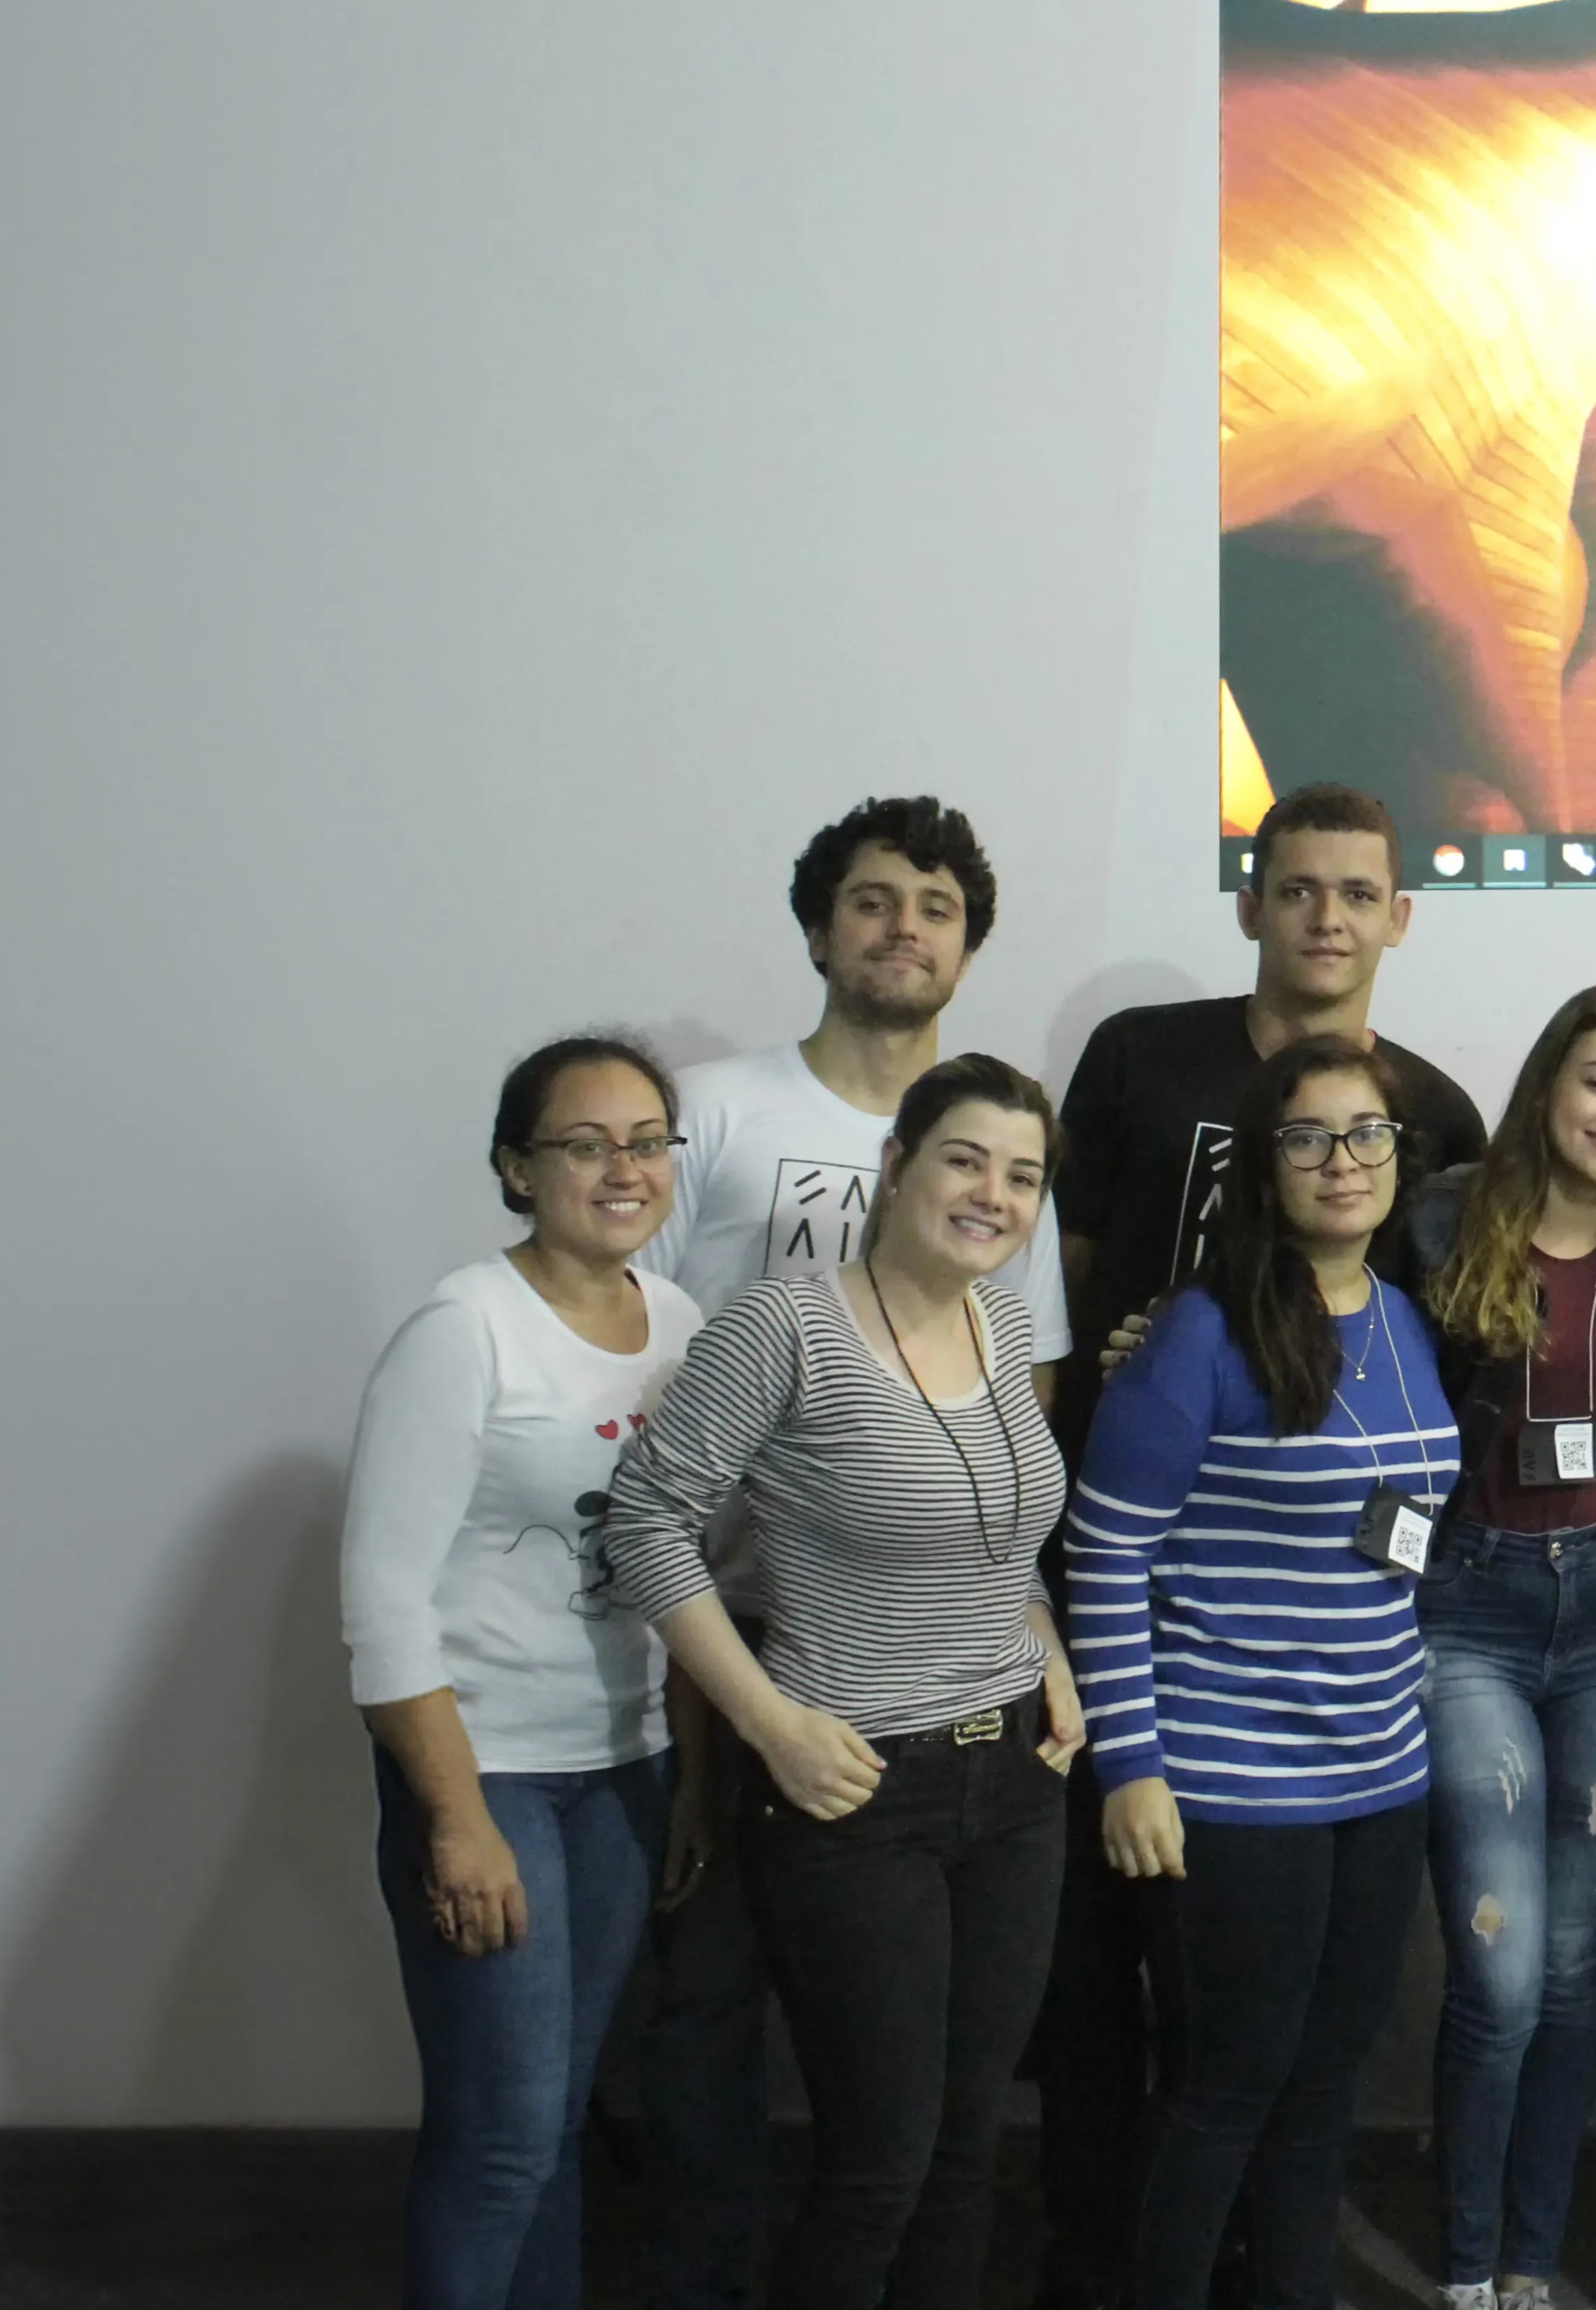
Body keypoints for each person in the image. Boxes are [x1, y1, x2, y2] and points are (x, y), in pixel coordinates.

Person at [1043, 779, 1489, 2306]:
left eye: (1366, 1136)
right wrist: (1132, 1769)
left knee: (1319, 2101)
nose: (1344, 1159)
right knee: (1224, 2094)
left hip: (1379, 1777)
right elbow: (1107, 1557)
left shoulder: (1411, 1326)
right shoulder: (1197, 1335)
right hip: (1232, 1785)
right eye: (1309, 1140)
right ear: (1266, 1162)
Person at [632, 794, 1072, 2310]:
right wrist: (767, 1723)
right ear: (898, 1164)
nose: (991, 1196)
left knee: (965, 2147)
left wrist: (1049, 1651)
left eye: (1020, 1177)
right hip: (855, 1784)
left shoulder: (1002, 1322)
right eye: (964, 1162)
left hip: (1011, 1785)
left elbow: (998, 1522)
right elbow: (649, 1522)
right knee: (878, 2159)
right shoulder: (786, 1324)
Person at [340, 1034, 702, 2310]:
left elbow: (689, 1566)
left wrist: (694, 1776)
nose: (624, 1169)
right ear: (516, 1168)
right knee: (499, 2138)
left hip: (623, 1768)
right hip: (487, 1773)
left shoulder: (682, 1326)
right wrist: (454, 1821)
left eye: (647, 1142)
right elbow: (381, 1605)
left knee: (555, 2124)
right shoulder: (465, 1330)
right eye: (585, 1144)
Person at [1401, 986, 1596, 2310]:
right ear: (1546, 1085)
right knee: (1501, 1967)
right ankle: (1467, 2263)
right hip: (1463, 1609)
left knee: (1577, 1962)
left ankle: (1532, 2253)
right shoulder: (1440, 1219)